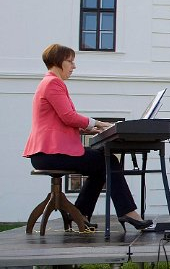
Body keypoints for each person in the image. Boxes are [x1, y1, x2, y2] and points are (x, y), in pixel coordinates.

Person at [23, 44, 152, 231]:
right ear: (58, 62)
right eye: (70, 61)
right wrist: (98, 124)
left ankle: (80, 214)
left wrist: (89, 130)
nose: (73, 66)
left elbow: (60, 121)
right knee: (107, 162)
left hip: (47, 152)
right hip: (50, 153)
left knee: (101, 165)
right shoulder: (53, 83)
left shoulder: (48, 83)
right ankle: (126, 212)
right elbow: (68, 116)